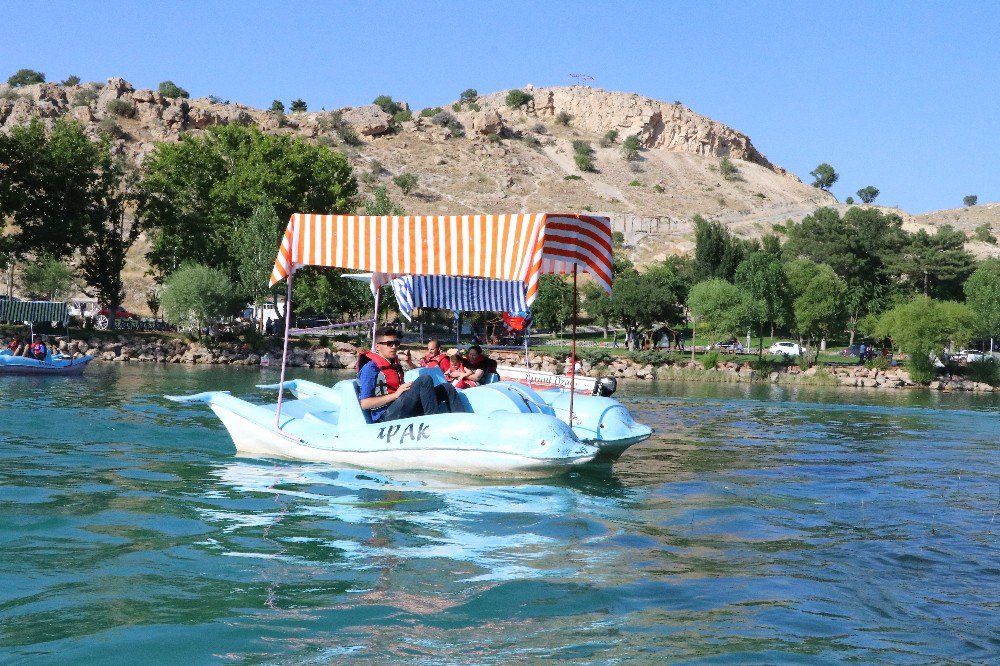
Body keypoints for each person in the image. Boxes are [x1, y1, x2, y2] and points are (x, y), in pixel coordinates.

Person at [358, 327, 465, 423]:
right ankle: (433, 423)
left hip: (402, 406)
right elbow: (365, 403)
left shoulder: (394, 364)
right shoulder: (370, 368)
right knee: (424, 380)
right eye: (389, 344)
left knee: (447, 387)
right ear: (378, 347)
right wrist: (395, 395)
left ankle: (462, 423)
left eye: (396, 343)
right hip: (386, 415)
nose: (394, 346)